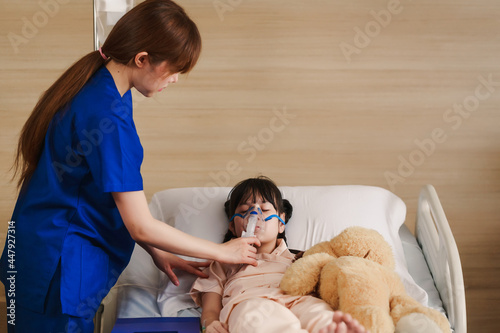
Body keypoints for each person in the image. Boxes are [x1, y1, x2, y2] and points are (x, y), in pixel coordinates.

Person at [0, 1, 260, 332]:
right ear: (142, 59)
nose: (176, 79)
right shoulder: (108, 115)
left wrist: (156, 251)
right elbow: (139, 224)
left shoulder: (98, 87)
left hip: (34, 250)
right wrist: (223, 251)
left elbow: (101, 192)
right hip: (58, 267)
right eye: (174, 68)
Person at [191, 176, 368, 333]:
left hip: (298, 300)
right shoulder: (222, 262)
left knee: (318, 311)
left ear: (281, 223)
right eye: (244, 211)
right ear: (232, 226)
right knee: (253, 316)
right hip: (251, 302)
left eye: (265, 210)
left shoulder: (301, 258)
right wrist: (210, 324)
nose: (255, 214)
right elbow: (210, 310)